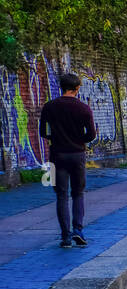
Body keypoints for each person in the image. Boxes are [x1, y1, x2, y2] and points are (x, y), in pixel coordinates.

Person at [38, 72, 97, 248]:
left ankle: (65, 237)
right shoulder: (83, 108)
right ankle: (78, 230)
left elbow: (43, 132)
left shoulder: (49, 107)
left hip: (57, 155)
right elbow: (92, 134)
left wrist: (55, 138)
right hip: (77, 154)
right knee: (78, 193)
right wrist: (79, 140)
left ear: (61, 87)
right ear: (77, 88)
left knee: (61, 195)